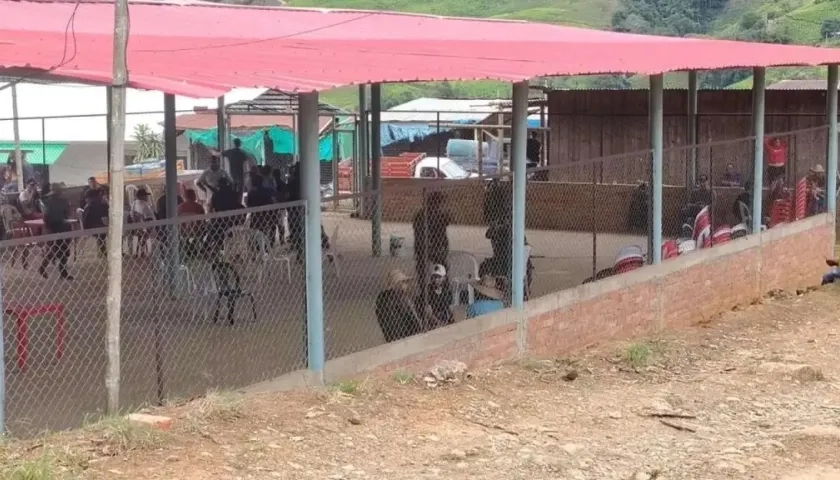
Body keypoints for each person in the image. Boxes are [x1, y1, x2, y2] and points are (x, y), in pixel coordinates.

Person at [412, 191, 451, 289]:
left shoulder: (440, 214)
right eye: (440, 203)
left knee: (442, 265)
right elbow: (418, 233)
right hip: (425, 245)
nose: (442, 206)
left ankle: (442, 286)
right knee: (423, 267)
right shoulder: (422, 215)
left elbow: (446, 224)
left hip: (436, 244)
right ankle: (424, 290)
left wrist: (443, 246)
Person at [375, 270, 423, 342]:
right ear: (397, 283)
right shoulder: (396, 299)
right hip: (405, 337)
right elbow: (411, 318)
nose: (406, 285)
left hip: (397, 337)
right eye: (404, 282)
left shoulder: (385, 299)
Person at [39, 183, 73, 280]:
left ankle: (45, 268)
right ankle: (63, 272)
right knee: (61, 249)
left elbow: (46, 216)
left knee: (55, 250)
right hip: (58, 226)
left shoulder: (46, 200)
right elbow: (67, 214)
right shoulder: (63, 200)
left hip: (52, 227)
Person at [417, 264, 453, 329]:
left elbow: (450, 308)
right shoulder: (428, 290)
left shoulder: (446, 290)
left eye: (439, 277)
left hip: (445, 316)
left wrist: (451, 320)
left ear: (444, 278)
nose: (436, 279)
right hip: (433, 319)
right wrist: (439, 323)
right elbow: (428, 312)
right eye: (435, 277)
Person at [82, 188, 109, 257]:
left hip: (95, 226)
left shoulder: (89, 206)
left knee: (101, 235)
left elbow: (85, 219)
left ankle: (103, 250)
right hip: (97, 226)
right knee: (101, 235)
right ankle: (104, 251)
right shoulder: (98, 205)